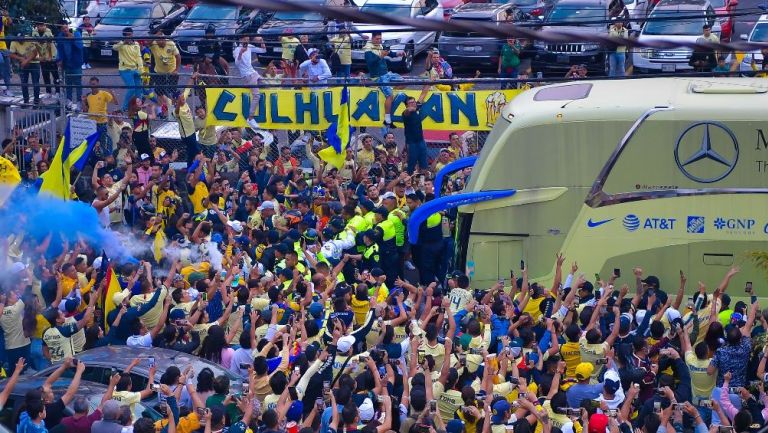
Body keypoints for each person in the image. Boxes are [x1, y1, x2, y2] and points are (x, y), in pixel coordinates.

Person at [363, 32, 404, 128]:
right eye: (377, 39)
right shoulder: (368, 50)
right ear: (372, 39)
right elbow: (370, 63)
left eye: (380, 39)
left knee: (403, 82)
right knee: (389, 95)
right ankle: (387, 118)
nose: (379, 40)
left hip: (387, 74)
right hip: (378, 76)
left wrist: (398, 53)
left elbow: (390, 53)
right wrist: (381, 56)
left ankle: (388, 94)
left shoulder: (379, 46)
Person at [233, 35, 266, 130]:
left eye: (247, 39)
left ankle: (248, 86)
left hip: (253, 72)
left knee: (265, 85)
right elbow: (237, 64)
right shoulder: (237, 49)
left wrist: (262, 41)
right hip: (247, 75)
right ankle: (250, 117)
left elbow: (263, 51)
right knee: (257, 95)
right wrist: (240, 53)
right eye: (244, 39)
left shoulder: (250, 47)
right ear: (240, 40)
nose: (246, 41)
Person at [83, 77, 118, 155]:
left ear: (98, 84)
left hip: (102, 122)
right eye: (91, 85)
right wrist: (83, 101)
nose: (93, 86)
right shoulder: (88, 96)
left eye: (94, 84)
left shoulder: (104, 93)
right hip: (91, 123)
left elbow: (115, 102)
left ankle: (106, 157)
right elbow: (85, 110)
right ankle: (92, 158)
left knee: (103, 143)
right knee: (92, 142)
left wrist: (111, 92)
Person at [149, 29, 181, 111]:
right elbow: (147, 43)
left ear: (164, 40)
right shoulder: (154, 44)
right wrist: (156, 35)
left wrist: (176, 70)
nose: (160, 44)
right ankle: (160, 111)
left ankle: (174, 109)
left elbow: (178, 57)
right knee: (159, 92)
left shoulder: (171, 44)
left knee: (172, 92)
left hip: (172, 71)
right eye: (158, 41)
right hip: (159, 72)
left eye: (161, 41)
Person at [113, 27, 143, 111]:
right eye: (127, 35)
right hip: (124, 70)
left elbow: (139, 57)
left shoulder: (136, 44)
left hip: (135, 69)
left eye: (130, 34)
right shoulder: (121, 44)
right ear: (124, 36)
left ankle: (138, 107)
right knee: (132, 88)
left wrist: (141, 70)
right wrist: (123, 42)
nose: (129, 36)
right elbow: (114, 48)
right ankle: (124, 108)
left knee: (139, 88)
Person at [56, 23, 85, 110]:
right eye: (63, 28)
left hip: (76, 63)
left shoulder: (76, 33)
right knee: (68, 83)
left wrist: (73, 39)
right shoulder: (60, 36)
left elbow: (80, 46)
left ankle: (79, 102)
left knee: (78, 83)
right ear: (60, 30)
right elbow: (59, 49)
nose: (65, 30)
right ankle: (69, 101)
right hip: (66, 63)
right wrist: (59, 60)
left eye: (66, 27)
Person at [402, 86, 430, 174]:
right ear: (406, 105)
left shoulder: (416, 108)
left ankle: (422, 182)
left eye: (413, 102)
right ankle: (407, 181)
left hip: (421, 141)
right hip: (411, 143)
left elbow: (423, 94)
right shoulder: (405, 113)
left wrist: (430, 82)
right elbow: (408, 110)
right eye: (410, 103)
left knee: (424, 165)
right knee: (411, 165)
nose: (413, 104)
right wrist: (412, 108)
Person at [9, 30, 42, 104]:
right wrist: (21, 59)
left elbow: (35, 52)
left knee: (35, 82)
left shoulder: (30, 39)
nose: (20, 41)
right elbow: (11, 54)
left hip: (34, 62)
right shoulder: (14, 42)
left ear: (24, 36)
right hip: (23, 62)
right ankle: (26, 101)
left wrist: (26, 61)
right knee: (24, 82)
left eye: (22, 39)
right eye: (19, 39)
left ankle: (36, 100)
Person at [32, 22, 59, 98]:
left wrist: (50, 57)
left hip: (52, 54)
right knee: (45, 75)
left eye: (43, 25)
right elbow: (36, 45)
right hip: (43, 55)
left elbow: (49, 45)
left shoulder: (48, 31)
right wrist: (40, 56)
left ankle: (58, 92)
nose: (42, 27)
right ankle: (48, 91)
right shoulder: (34, 32)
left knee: (55, 75)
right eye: (40, 25)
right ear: (37, 26)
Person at [0, 9, 12, 95]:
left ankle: (7, 89)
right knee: (0, 62)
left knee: (7, 68)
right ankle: (1, 80)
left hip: (3, 46)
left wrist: (7, 15)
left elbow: (10, 23)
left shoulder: (1, 18)